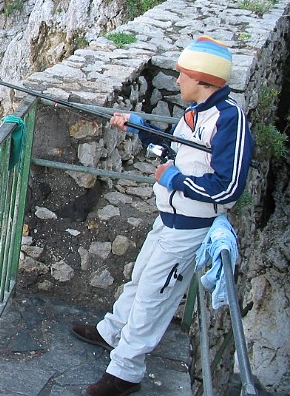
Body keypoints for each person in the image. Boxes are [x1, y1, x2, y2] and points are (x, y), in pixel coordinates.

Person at [72, 36, 254, 396]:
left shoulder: (229, 120)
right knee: (140, 281)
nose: (178, 81)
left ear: (204, 79)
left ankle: (125, 372)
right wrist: (139, 127)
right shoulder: (196, 112)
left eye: (184, 74)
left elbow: (228, 187)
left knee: (154, 296)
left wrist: (174, 179)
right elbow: (177, 148)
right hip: (169, 217)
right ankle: (112, 332)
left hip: (190, 226)